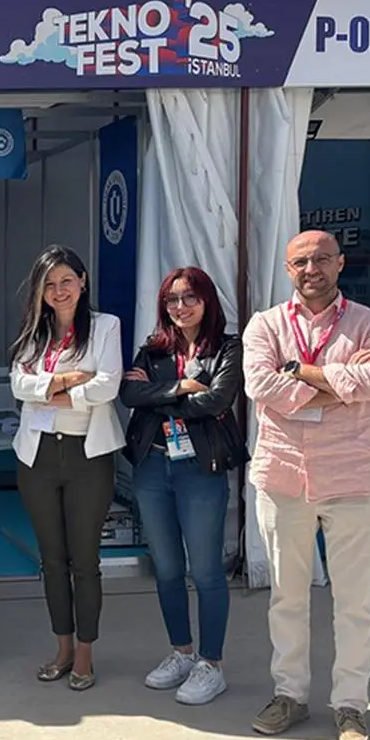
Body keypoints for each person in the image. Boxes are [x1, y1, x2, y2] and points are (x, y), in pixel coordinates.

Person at [243, 230, 370, 740]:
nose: (311, 269)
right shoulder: (265, 325)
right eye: (301, 262)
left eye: (322, 259)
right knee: (287, 597)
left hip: (352, 479)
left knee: (355, 602)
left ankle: (350, 705)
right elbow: (262, 386)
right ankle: (290, 695)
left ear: (340, 264)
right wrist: (340, 386)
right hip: (283, 477)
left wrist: (303, 373)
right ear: (288, 269)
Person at [119, 266, 247, 706]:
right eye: (172, 299)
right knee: (167, 568)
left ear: (207, 300)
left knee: (206, 569)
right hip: (153, 467)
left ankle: (211, 663)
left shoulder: (228, 347)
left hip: (200, 468)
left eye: (190, 297)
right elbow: (129, 396)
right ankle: (182, 652)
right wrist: (179, 387)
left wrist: (159, 395)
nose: (180, 306)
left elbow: (217, 400)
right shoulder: (153, 349)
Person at [8, 245, 123, 691]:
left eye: (66, 281)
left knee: (85, 560)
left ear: (83, 281)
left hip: (87, 457)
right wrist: (68, 381)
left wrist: (49, 393)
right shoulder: (34, 334)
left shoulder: (105, 326)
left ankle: (86, 652)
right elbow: (19, 384)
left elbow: (107, 386)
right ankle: (62, 647)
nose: (59, 291)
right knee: (52, 560)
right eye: (50, 284)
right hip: (37, 457)